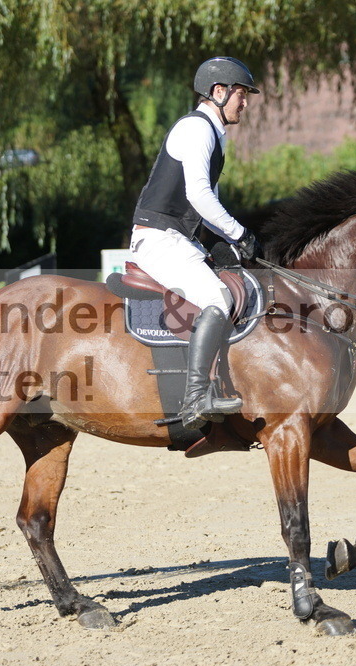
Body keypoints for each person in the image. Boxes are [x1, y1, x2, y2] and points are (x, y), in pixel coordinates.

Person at [129, 56, 262, 430]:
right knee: (218, 299)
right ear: (218, 92)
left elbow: (205, 206)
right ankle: (195, 398)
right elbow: (201, 196)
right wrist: (241, 234)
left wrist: (225, 243)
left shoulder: (212, 133)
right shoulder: (197, 129)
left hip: (175, 238)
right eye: (241, 94)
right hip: (158, 239)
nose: (245, 103)